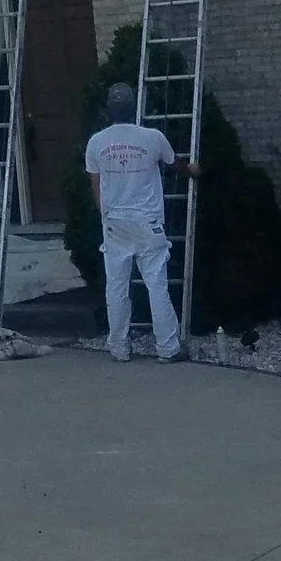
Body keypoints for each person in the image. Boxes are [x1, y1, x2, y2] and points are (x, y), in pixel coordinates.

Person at [84, 82, 199, 362]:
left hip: (115, 222)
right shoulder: (153, 137)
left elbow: (95, 188)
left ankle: (119, 348)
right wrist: (194, 171)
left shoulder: (96, 143)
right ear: (134, 107)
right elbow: (177, 166)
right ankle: (168, 348)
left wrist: (106, 216)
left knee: (117, 285)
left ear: (108, 109)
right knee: (156, 283)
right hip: (148, 221)